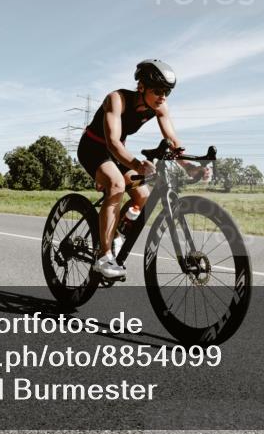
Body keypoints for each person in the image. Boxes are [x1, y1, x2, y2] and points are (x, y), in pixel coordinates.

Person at [76, 59, 208, 279]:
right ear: (141, 87)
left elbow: (172, 139)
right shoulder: (116, 99)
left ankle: (116, 233)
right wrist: (137, 165)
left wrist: (188, 166)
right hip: (94, 149)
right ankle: (104, 256)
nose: (163, 96)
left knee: (142, 195)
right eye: (158, 90)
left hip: (118, 156)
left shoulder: (160, 107)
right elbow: (113, 143)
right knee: (116, 184)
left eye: (167, 92)